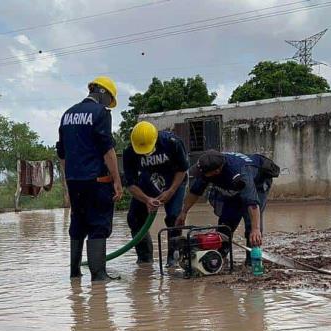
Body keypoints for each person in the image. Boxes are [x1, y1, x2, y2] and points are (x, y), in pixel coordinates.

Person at [56, 76, 123, 281]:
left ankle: (74, 273)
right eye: (109, 100)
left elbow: (62, 154)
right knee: (98, 224)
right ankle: (98, 275)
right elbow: (107, 150)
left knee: (78, 224)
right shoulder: (100, 113)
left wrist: (67, 185)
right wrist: (117, 181)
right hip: (96, 181)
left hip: (74, 181)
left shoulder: (67, 114)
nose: (108, 105)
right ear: (103, 93)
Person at [177, 150, 276, 252]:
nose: (200, 174)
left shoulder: (240, 174)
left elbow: (252, 203)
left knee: (251, 223)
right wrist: (184, 212)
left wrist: (256, 229)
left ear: (216, 171)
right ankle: (221, 254)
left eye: (203, 173)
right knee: (226, 220)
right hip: (233, 182)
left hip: (258, 181)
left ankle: (253, 258)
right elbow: (195, 191)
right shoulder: (209, 165)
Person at [122, 121, 189, 266]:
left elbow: (182, 170)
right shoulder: (129, 152)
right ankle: (145, 260)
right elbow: (130, 184)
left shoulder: (172, 143)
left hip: (174, 183)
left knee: (174, 217)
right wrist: (146, 199)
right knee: (134, 218)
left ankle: (174, 258)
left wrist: (170, 191)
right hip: (147, 184)